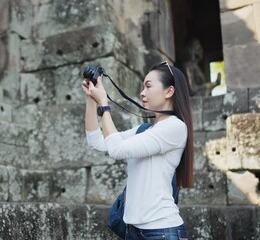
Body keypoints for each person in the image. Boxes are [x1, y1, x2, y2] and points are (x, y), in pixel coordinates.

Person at [82, 61, 193, 240]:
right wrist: (91, 100)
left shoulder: (175, 127)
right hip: (133, 231)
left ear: (169, 91)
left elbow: (117, 149)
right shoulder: (145, 130)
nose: (142, 92)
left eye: (148, 86)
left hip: (162, 231)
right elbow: (97, 143)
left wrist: (104, 103)